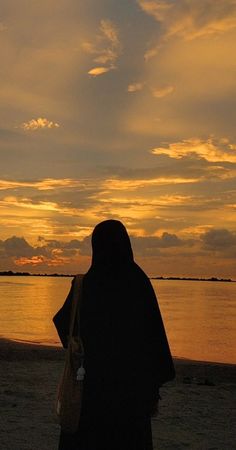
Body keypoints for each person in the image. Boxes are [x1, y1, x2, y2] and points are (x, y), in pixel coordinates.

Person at [53, 219, 175, 450]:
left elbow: (62, 324)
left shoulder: (85, 285)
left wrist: (82, 346)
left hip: (89, 390)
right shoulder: (137, 283)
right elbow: (155, 338)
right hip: (131, 396)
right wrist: (152, 385)